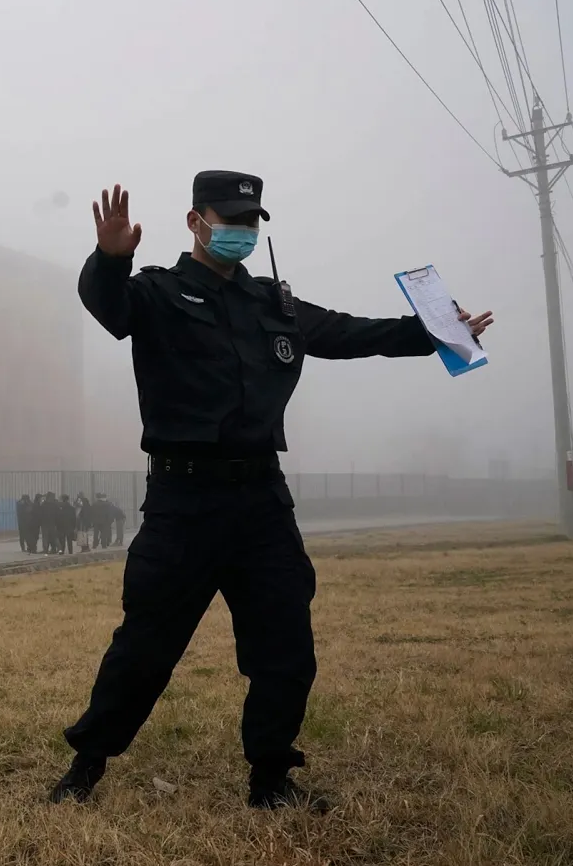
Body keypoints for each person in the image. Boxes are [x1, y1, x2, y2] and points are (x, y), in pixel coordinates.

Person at [50, 175, 493, 811]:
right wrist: (111, 258)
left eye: (252, 220)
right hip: (184, 504)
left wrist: (439, 332)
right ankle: (86, 766)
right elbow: (107, 306)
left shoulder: (274, 304)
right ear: (195, 222)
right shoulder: (156, 292)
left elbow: (350, 333)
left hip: (261, 501)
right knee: (145, 646)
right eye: (228, 218)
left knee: (285, 646)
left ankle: (271, 779)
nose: (242, 231)